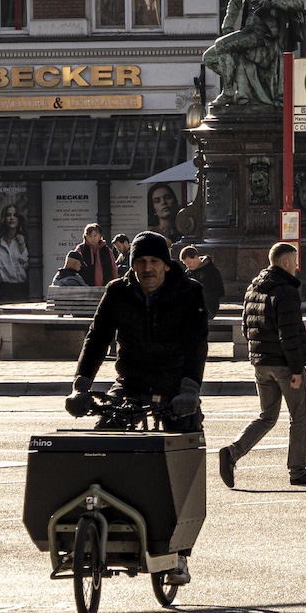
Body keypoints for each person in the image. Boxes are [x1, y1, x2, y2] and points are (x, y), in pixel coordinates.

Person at [66, 231, 209, 581]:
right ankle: (102, 532)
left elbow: (196, 343)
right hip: (131, 382)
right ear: (132, 265)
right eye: (141, 262)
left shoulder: (189, 293)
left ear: (165, 264)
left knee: (184, 465)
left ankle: (179, 554)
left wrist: (189, 390)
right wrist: (81, 386)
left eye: (154, 262)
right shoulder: (117, 292)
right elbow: (97, 337)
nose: (147, 268)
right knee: (104, 450)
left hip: (176, 385)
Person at [220, 243, 306, 489]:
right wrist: (295, 369)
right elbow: (289, 333)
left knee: (267, 416)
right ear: (284, 262)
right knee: (299, 416)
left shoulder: (254, 287)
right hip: (284, 362)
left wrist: (257, 355)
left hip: (261, 362)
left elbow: (245, 326)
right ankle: (298, 470)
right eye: (294, 260)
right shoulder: (286, 291)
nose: (296, 265)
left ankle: (233, 451)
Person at [0, 201, 32, 301]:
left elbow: (28, 265)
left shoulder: (26, 240)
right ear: (4, 219)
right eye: (8, 215)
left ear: (19, 218)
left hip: (22, 290)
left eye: (15, 215)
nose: (12, 218)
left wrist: (22, 243)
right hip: (3, 290)